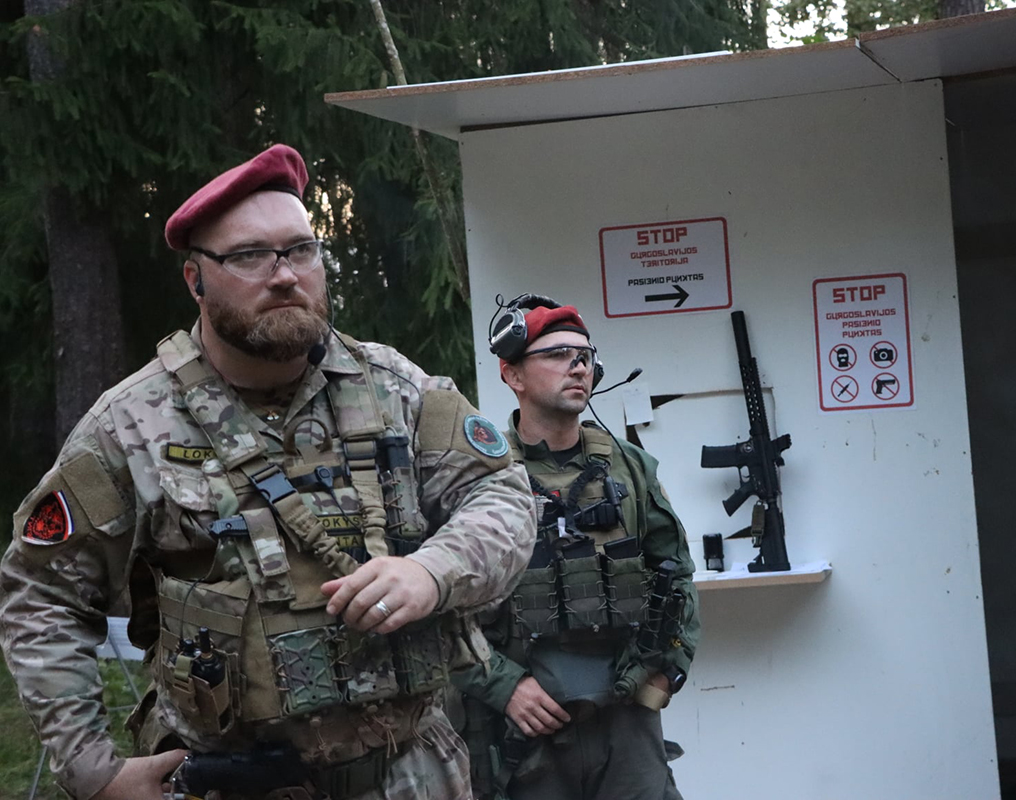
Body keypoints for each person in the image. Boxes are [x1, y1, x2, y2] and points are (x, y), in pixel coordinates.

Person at [0, 144, 536, 800]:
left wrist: (433, 571)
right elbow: (40, 593)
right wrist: (93, 770)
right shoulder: (130, 425)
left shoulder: (394, 387)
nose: (285, 276)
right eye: (251, 256)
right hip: (234, 782)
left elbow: (502, 492)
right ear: (196, 279)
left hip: (414, 773)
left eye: (301, 250)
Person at [452, 296, 699, 800]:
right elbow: (442, 608)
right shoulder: (476, 474)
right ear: (512, 375)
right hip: (522, 727)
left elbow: (676, 574)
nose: (578, 366)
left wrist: (668, 671)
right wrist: (504, 686)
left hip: (626, 718)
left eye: (585, 356)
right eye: (558, 354)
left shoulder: (630, 466)